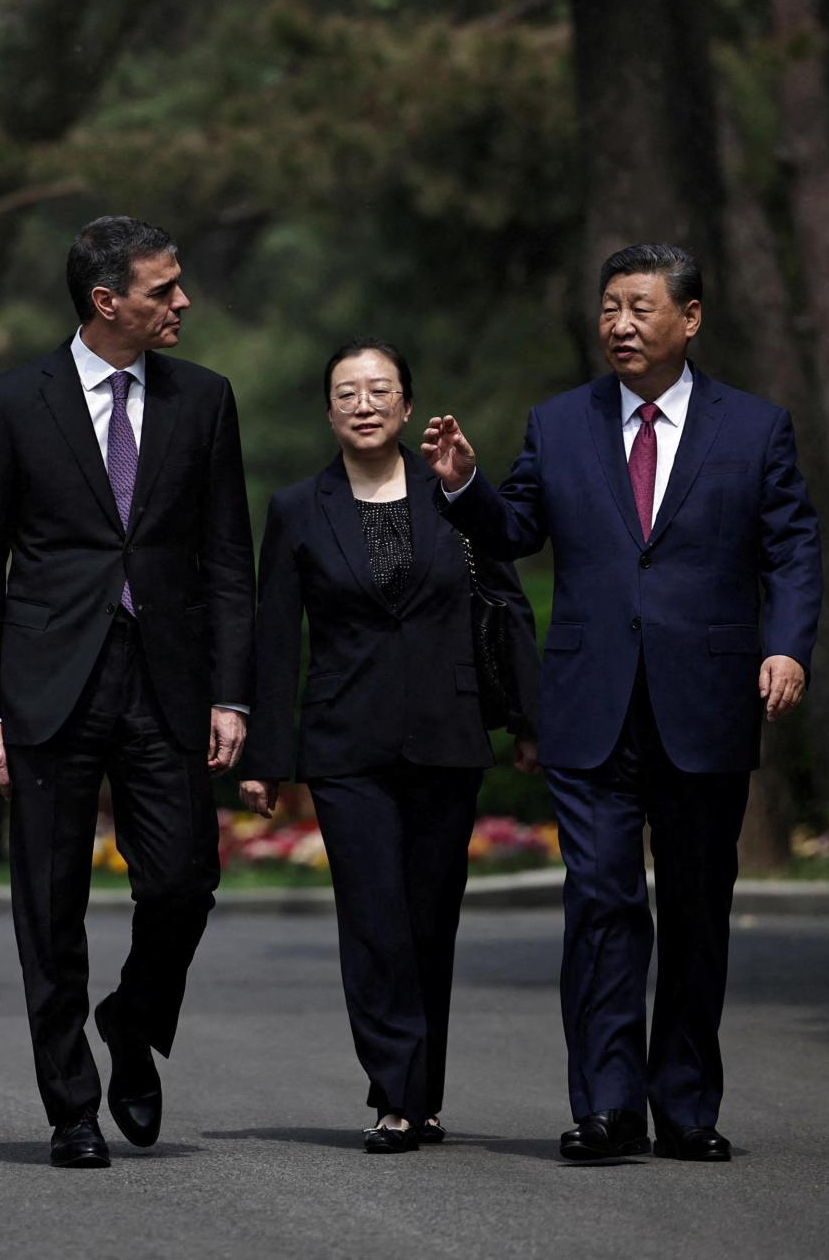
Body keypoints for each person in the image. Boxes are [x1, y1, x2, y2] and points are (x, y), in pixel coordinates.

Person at [423, 244, 822, 1163]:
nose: (621, 324)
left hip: (707, 702)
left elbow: (793, 549)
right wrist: (463, 485)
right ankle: (606, 1105)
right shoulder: (559, 423)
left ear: (690, 318)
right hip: (590, 701)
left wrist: (786, 646)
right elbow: (516, 529)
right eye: (609, 307)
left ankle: (685, 1106)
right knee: (601, 901)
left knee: (695, 907)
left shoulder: (755, 428)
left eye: (641, 307)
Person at [0, 216, 255, 1169]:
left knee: (184, 881)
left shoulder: (205, 399)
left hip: (167, 681)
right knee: (51, 905)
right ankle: (71, 1108)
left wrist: (233, 694)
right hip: (48, 686)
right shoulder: (9, 405)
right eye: (163, 290)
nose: (182, 302)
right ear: (106, 301)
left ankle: (132, 1019)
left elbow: (229, 561)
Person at [239, 339, 541, 1154]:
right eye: (347, 393)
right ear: (328, 412)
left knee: (429, 919)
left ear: (407, 406)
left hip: (447, 734)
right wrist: (267, 758)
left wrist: (529, 724)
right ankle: (397, 1097)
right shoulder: (299, 507)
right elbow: (277, 640)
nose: (364, 404)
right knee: (374, 919)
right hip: (347, 745)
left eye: (380, 390)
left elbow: (506, 602)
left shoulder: (452, 490)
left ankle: (422, 1091)